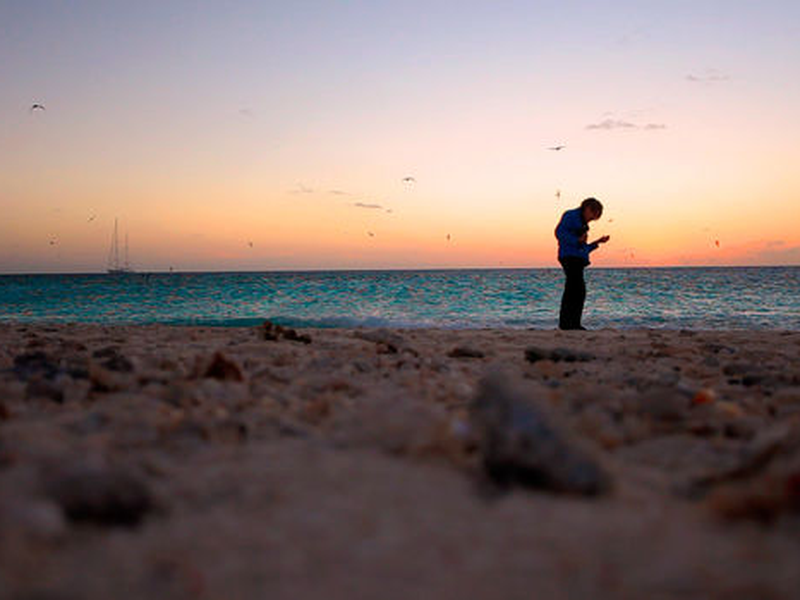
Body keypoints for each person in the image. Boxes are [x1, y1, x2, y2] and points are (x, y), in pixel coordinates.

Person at [554, 197, 610, 330]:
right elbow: (559, 233)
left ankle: (572, 324)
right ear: (587, 209)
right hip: (569, 257)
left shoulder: (583, 223)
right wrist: (577, 240)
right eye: (593, 216)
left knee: (577, 291)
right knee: (575, 290)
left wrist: (597, 243)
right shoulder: (571, 216)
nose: (592, 220)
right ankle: (568, 324)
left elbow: (582, 247)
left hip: (576, 258)